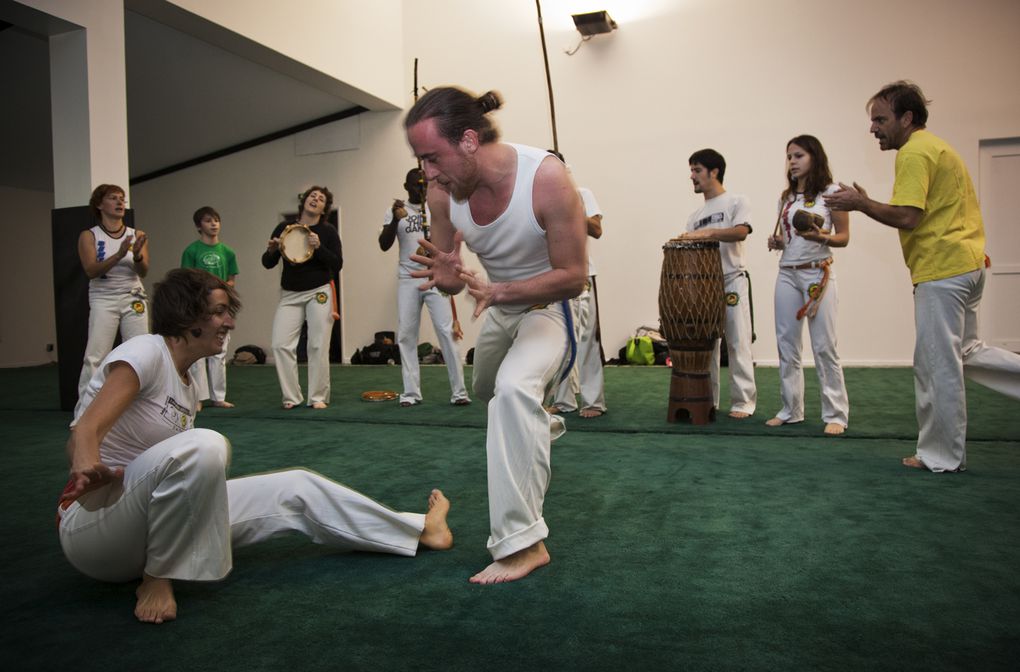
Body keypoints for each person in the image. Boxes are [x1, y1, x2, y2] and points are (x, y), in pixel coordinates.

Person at [57, 268, 453, 624]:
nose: (229, 321)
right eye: (219, 312)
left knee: (295, 486)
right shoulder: (147, 351)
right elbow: (84, 430)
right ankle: (157, 577)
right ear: (186, 315)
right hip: (95, 528)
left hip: (148, 526)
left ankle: (417, 530)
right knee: (205, 445)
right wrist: (87, 467)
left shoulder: (188, 381)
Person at [404, 86, 587, 584]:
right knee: (489, 392)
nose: (427, 172)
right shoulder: (442, 192)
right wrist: (447, 272)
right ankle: (535, 422)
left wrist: (501, 289)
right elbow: (444, 275)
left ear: (467, 140)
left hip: (553, 308)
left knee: (512, 390)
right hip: (499, 304)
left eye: (431, 157)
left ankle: (523, 544)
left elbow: (573, 274)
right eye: (421, 160)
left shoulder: (545, 178)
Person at [825, 80, 1020, 471]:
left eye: (880, 119)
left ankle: (942, 457)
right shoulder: (939, 146)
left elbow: (909, 217)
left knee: (937, 364)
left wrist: (860, 203)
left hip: (943, 270)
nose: (873, 129)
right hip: (967, 265)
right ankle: (942, 452)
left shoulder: (914, 153)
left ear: (907, 118)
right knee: (965, 352)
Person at [765, 136, 851, 436]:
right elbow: (788, 239)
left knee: (824, 345)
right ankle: (791, 410)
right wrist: (777, 242)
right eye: (789, 156)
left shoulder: (832, 192)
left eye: (799, 155)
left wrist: (822, 238)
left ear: (814, 157)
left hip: (818, 274)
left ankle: (836, 414)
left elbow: (844, 237)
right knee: (786, 343)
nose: (792, 161)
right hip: (787, 273)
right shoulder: (786, 197)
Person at [379, 168, 471, 408]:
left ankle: (459, 392)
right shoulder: (395, 210)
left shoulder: (436, 208)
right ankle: (410, 393)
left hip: (434, 276)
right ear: (406, 186)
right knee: (407, 334)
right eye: (416, 184)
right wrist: (397, 220)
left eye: (424, 184)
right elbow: (383, 244)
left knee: (446, 331)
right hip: (408, 278)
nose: (420, 188)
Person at [680, 149, 757, 419]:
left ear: (714, 172)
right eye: (691, 170)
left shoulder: (736, 201)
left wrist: (709, 232)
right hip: (704, 286)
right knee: (708, 345)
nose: (692, 176)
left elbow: (740, 232)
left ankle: (743, 402)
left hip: (732, 280)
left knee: (737, 341)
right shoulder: (694, 215)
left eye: (697, 170)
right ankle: (709, 399)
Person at [262, 186, 342, 409]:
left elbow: (337, 264)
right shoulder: (284, 228)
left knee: (317, 345)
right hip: (290, 294)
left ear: (324, 208)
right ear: (304, 201)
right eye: (312, 196)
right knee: (280, 344)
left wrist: (319, 248)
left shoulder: (328, 231)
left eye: (321, 198)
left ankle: (317, 397)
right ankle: (291, 397)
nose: (315, 199)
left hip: (319, 292)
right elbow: (268, 263)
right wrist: (271, 251)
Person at [75, 184, 150, 417]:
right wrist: (118, 255)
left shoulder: (136, 234)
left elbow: (144, 271)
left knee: (141, 353)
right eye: (113, 198)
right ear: (99, 204)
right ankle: (84, 413)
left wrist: (136, 255)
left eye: (122, 199)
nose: (120, 203)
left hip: (133, 297)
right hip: (103, 299)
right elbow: (90, 270)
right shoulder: (89, 236)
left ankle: (141, 408)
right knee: (96, 356)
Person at [546, 151, 607, 419]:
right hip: (554, 277)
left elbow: (596, 228)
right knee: (560, 339)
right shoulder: (540, 199)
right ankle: (564, 400)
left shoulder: (581, 193)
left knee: (587, 340)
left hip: (582, 275)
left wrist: (569, 208)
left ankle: (594, 401)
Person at [181, 206, 238, 409]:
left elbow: (231, 280)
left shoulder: (227, 252)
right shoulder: (191, 251)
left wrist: (220, 291)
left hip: (221, 306)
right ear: (199, 226)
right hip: (198, 305)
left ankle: (218, 396)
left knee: (220, 351)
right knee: (197, 352)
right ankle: (198, 397)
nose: (213, 224)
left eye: (216, 220)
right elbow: (187, 279)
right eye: (208, 220)